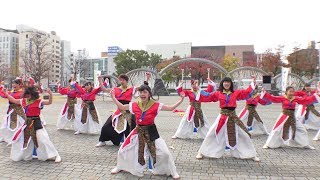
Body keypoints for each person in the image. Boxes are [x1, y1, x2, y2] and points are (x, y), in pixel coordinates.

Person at [109, 82, 183, 179]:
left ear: (149, 94)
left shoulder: (156, 105)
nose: (142, 94)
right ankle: (120, 166)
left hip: (151, 131)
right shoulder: (134, 105)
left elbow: (170, 108)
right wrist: (113, 98)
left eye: (144, 92)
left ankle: (171, 171)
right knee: (122, 150)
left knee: (164, 153)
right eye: (140, 92)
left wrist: (181, 99)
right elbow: (122, 107)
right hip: (138, 131)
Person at [195, 76, 260, 161]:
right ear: (222, 84)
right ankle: (202, 152)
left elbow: (246, 92)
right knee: (212, 134)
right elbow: (208, 96)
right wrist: (198, 90)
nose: (226, 83)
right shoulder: (218, 93)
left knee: (243, 134)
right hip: (222, 117)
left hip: (233, 117)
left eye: (228, 82)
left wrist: (253, 82)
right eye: (225, 82)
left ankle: (251, 154)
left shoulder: (235, 93)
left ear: (231, 84)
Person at [2, 87, 61, 162]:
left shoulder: (39, 101)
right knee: (23, 141)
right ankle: (26, 155)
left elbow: (49, 102)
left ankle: (55, 154)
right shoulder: (23, 101)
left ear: (33, 94)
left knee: (43, 140)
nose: (27, 96)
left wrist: (50, 94)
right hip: (27, 123)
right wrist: (6, 94)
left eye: (29, 95)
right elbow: (13, 100)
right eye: (26, 95)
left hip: (36, 122)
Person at [96, 73, 150, 147]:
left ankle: (130, 142)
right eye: (120, 80)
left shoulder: (132, 89)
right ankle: (102, 140)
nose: (121, 81)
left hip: (128, 110)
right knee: (107, 126)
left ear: (127, 81)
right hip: (119, 110)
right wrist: (100, 81)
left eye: (123, 80)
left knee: (131, 127)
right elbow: (104, 89)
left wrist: (147, 78)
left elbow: (143, 87)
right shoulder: (115, 89)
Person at [0, 79, 25, 143]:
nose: (13, 85)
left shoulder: (22, 93)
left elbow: (9, 96)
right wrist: (2, 87)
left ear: (19, 85)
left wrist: (6, 93)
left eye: (15, 84)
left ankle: (17, 137)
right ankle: (8, 137)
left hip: (19, 111)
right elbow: (3, 95)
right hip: (11, 111)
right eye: (13, 83)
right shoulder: (12, 92)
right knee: (9, 124)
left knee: (18, 123)